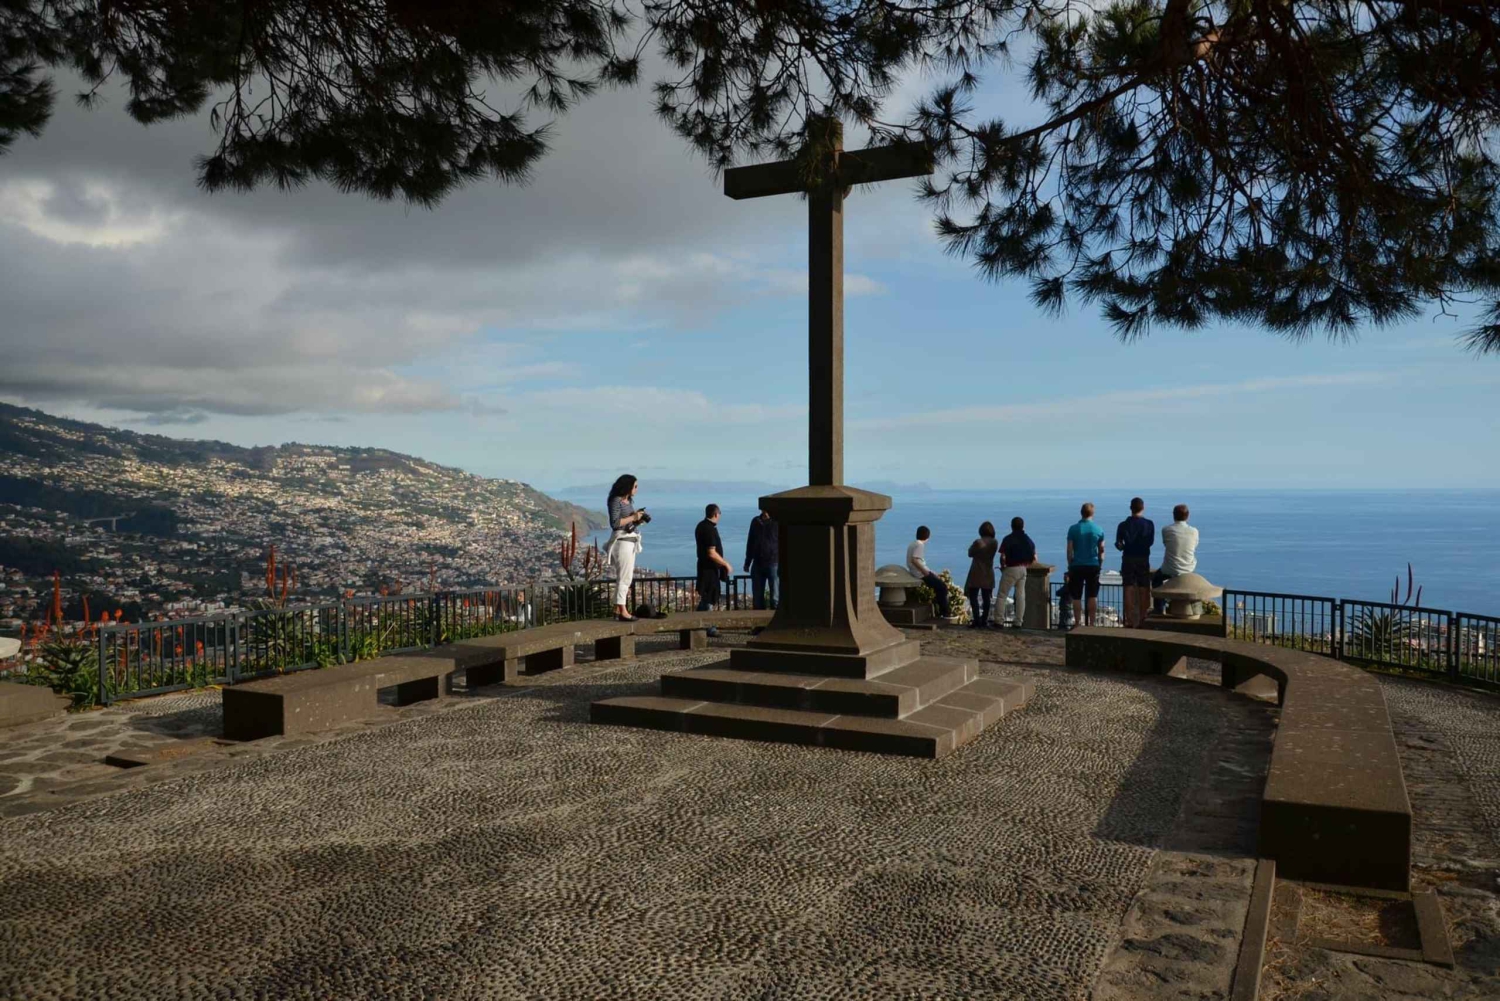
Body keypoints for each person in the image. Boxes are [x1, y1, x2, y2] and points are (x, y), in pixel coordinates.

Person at [605, 474, 649, 621]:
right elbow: (615, 523)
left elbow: (628, 524)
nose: (636, 489)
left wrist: (639, 520)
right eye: (635, 486)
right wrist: (634, 517)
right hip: (622, 541)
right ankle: (623, 610)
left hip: (630, 540)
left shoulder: (628, 501)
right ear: (627, 486)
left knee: (625, 577)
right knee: (624, 578)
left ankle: (617, 610)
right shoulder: (616, 500)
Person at [1115, 497, 1156, 628]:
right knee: (1144, 588)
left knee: (1128, 588)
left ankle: (1129, 620)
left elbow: (1119, 544)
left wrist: (1123, 546)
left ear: (1130, 508)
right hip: (1143, 558)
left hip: (1128, 559)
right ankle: (1143, 617)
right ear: (1143, 508)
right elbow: (1150, 542)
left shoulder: (1123, 525)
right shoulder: (1149, 524)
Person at [1066, 502, 1106, 628]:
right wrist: (1100, 563)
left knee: (1077, 596)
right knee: (1093, 595)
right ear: (1092, 513)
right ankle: (1092, 623)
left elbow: (1069, 550)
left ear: (1081, 513)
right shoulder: (1099, 529)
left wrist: (1070, 564)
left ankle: (1078, 623)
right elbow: (1101, 550)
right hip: (1093, 565)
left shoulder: (1073, 529)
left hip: (1077, 565)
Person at [695, 505, 734, 632]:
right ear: (716, 514)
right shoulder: (710, 530)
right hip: (709, 569)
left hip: (702, 567)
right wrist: (725, 564)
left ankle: (695, 622)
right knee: (710, 597)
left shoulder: (700, 526)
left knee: (705, 597)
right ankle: (710, 628)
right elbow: (711, 552)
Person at [1155, 504, 1200, 612]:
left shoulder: (1166, 530)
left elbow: (1166, 544)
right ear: (1188, 516)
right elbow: (1195, 545)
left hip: (1170, 569)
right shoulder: (1194, 531)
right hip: (1188, 569)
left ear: (1173, 515)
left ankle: (1159, 608)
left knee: (1156, 580)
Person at [998, 516, 1037, 629]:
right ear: (1022, 526)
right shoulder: (1028, 540)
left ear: (1012, 526)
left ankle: (999, 621)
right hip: (1023, 569)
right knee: (1020, 596)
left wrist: (1003, 567)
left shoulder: (1008, 539)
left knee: (1002, 595)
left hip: (1011, 568)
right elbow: (1034, 557)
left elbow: (1003, 556)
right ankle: (1018, 622)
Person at [906, 526, 950, 618]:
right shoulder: (920, 545)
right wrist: (926, 572)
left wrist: (930, 571)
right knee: (943, 587)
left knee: (938, 587)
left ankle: (938, 611)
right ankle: (944, 613)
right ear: (928, 536)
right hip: (920, 573)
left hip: (917, 571)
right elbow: (915, 560)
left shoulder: (913, 544)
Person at [964, 522, 998, 629]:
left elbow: (970, 553)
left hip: (976, 572)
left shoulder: (978, 542)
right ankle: (984, 620)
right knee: (986, 598)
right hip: (988, 572)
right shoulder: (995, 542)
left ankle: (976, 620)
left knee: (973, 597)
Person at [744, 509, 779, 610]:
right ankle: (759, 625)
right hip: (757, 563)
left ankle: (775, 623)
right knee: (757, 599)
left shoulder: (777, 521)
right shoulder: (755, 521)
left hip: (774, 562)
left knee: (775, 598)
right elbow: (750, 542)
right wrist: (747, 562)